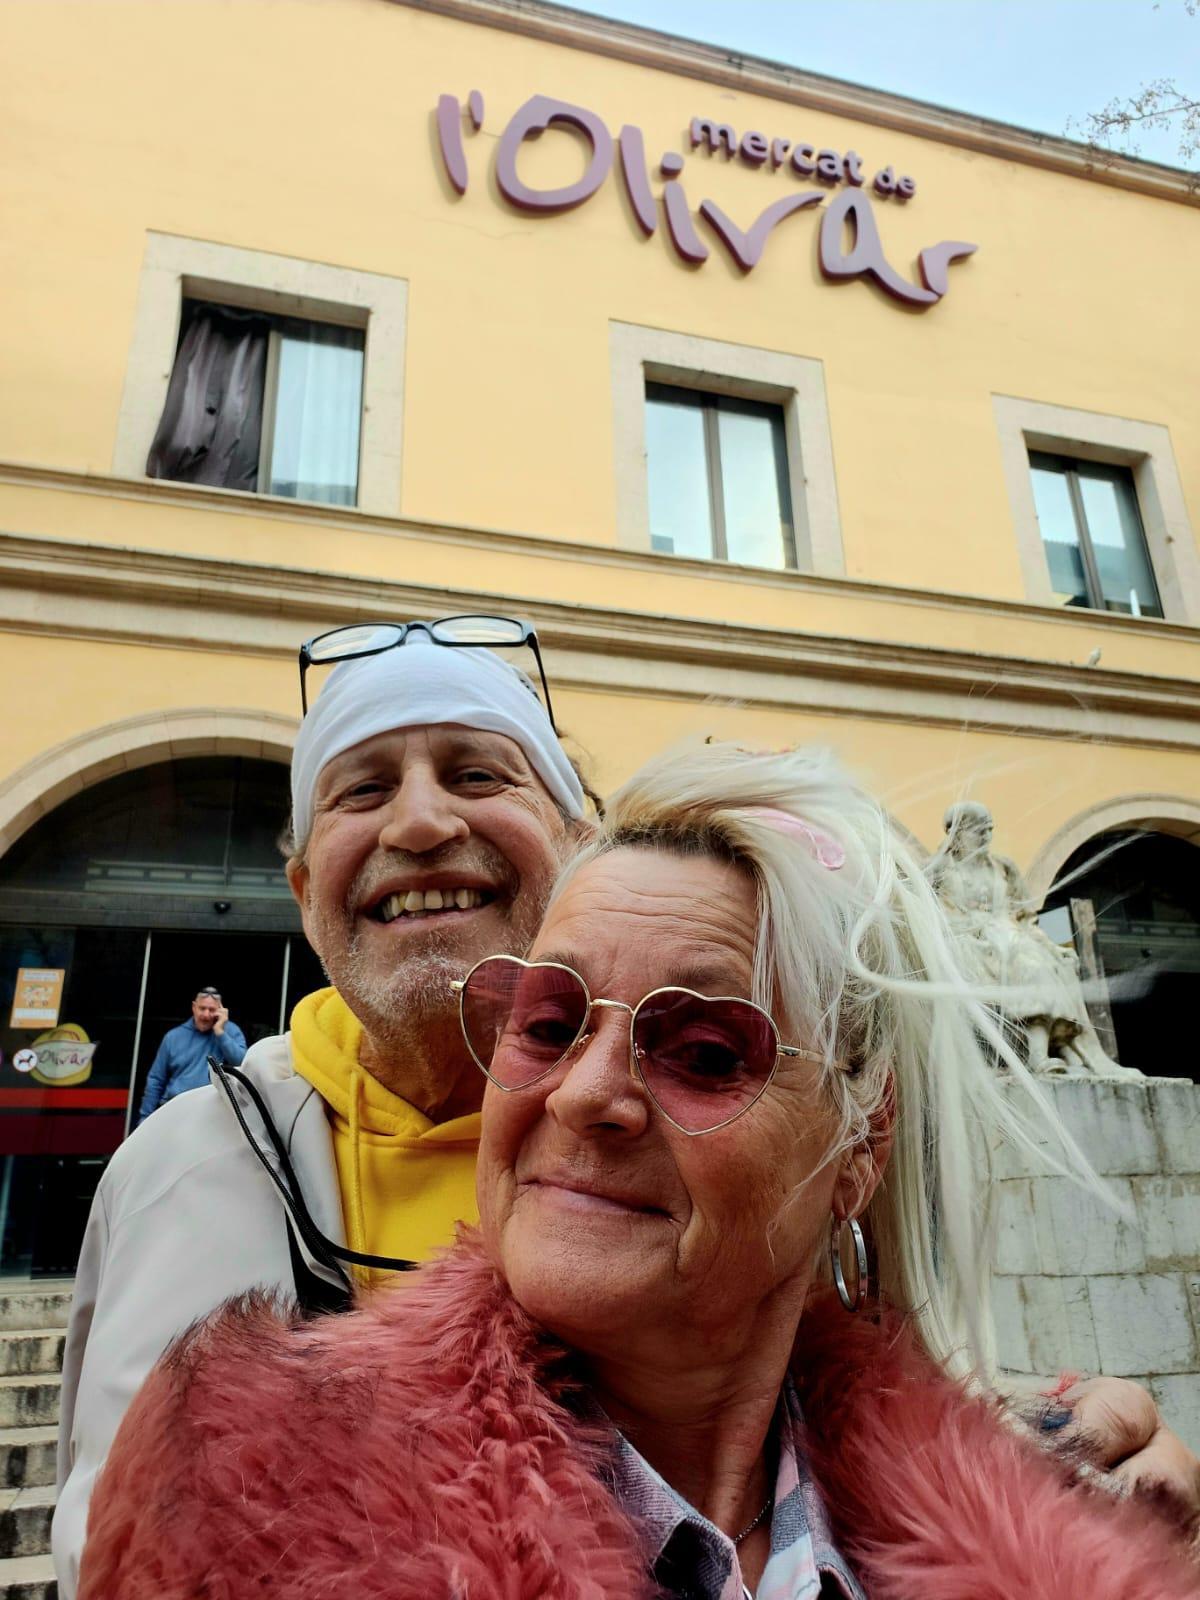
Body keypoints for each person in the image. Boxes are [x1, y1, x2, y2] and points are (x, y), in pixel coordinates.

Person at [78, 741, 1200, 1600]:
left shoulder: (1055, 1529)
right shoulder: (242, 1501)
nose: (582, 1093)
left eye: (707, 1051)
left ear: (860, 1144)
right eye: (548, 1019)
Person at [52, 617, 592, 1598]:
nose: (421, 824)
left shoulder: (693, 1146)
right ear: (305, 890)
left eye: (477, 776)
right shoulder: (170, 1164)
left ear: (580, 847)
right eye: (364, 788)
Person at [135, 987, 247, 1123]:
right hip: (174, 1109)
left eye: (212, 1010)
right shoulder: (173, 1037)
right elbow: (156, 1080)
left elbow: (241, 1063)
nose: (206, 1015)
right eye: (202, 1008)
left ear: (220, 1011)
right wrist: (145, 1118)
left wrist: (220, 1033)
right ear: (194, 1007)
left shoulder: (230, 1032)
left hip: (213, 1113)